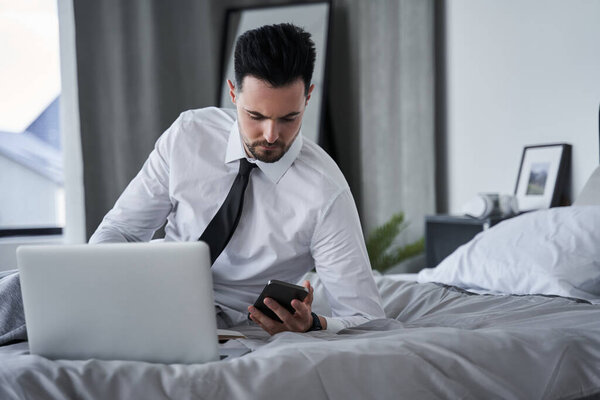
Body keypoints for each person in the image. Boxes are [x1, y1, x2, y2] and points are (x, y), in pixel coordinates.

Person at [89, 23, 384, 334]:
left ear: (308, 97)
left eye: (289, 118)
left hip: (237, 330)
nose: (271, 135)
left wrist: (312, 324)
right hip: (148, 303)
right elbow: (121, 230)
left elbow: (366, 318)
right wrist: (102, 289)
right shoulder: (188, 136)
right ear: (233, 93)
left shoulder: (325, 192)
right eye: (256, 116)